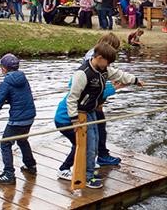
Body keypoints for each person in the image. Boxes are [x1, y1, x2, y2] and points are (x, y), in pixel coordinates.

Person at [55, 43, 141, 188]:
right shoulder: (82, 74)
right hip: (76, 116)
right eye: (108, 61)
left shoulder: (103, 70)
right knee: (86, 145)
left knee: (94, 143)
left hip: (90, 112)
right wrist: (75, 120)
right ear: (99, 58)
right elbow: (72, 98)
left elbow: (119, 74)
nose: (109, 65)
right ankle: (86, 176)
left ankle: (87, 171)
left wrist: (135, 80)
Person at [0, 53, 37, 185]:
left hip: (18, 119)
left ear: (4, 68)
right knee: (22, 140)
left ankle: (8, 174)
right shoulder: (23, 78)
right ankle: (30, 166)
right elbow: (19, 96)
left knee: (5, 144)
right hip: (30, 116)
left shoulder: (6, 82)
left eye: (1, 67)